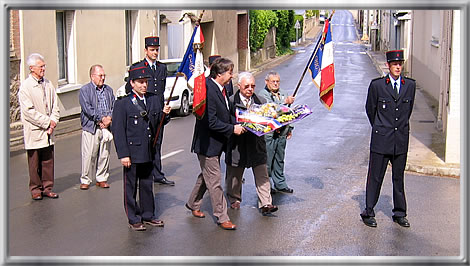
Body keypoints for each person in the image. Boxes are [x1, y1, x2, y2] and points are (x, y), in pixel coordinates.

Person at [185, 57, 245, 230]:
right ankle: (222, 216)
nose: (232, 76)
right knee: (215, 181)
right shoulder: (207, 89)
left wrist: (241, 121)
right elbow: (210, 121)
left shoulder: (223, 88)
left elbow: (225, 114)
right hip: (207, 143)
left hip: (218, 142)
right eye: (230, 72)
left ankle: (193, 202)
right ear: (219, 74)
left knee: (207, 176)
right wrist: (232, 129)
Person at [360, 50, 416, 228]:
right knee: (375, 177)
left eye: (400, 64)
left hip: (400, 140)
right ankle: (368, 211)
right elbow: (371, 109)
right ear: (388, 66)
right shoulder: (377, 86)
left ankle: (400, 213)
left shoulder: (410, 85)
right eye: (394, 64)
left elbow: (408, 111)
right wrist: (380, 128)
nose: (398, 67)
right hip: (381, 139)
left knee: (398, 178)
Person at [112, 65, 171, 231]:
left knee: (147, 184)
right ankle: (133, 218)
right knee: (130, 186)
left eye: (146, 82)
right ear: (132, 83)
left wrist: (164, 114)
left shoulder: (152, 99)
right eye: (140, 82)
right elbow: (118, 131)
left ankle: (148, 215)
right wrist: (123, 154)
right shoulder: (123, 104)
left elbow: (157, 122)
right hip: (132, 152)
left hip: (147, 150)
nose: (144, 85)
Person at [225, 72, 278, 215]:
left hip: (256, 144)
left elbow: (268, 120)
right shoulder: (230, 101)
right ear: (239, 86)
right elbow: (226, 122)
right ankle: (234, 199)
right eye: (246, 86)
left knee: (262, 175)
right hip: (237, 145)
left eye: (253, 86)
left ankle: (266, 203)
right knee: (234, 176)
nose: (250, 89)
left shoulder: (260, 101)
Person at [126, 36, 174, 185]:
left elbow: (161, 91)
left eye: (157, 50)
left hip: (158, 110)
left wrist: (164, 109)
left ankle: (157, 174)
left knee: (157, 143)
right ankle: (143, 173)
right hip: (143, 110)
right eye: (152, 50)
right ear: (146, 50)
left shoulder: (161, 68)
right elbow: (130, 89)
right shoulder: (138, 67)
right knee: (144, 142)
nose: (155, 53)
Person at [18, 53, 60, 200]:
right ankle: (36, 189)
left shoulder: (48, 84)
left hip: (49, 131)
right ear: (31, 68)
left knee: (48, 161)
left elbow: (55, 105)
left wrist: (53, 121)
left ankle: (47, 187)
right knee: (34, 162)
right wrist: (47, 122)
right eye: (40, 66)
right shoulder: (26, 87)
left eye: (44, 66)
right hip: (35, 131)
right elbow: (28, 112)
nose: (43, 68)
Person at [78, 65, 115, 190]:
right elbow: (87, 109)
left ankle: (102, 178)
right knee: (89, 155)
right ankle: (86, 179)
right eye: (100, 75)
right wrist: (101, 119)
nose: (103, 78)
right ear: (92, 76)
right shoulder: (85, 90)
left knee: (104, 154)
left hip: (106, 127)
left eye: (104, 75)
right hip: (91, 126)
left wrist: (109, 118)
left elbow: (113, 106)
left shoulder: (108, 90)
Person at [258, 71, 295, 194]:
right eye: (273, 81)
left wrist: (289, 128)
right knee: (267, 160)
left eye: (277, 81)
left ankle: (280, 183)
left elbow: (289, 112)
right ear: (266, 82)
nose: (275, 84)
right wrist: (285, 102)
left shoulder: (283, 93)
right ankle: (266, 185)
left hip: (282, 132)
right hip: (269, 133)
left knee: (279, 159)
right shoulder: (263, 94)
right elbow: (271, 109)